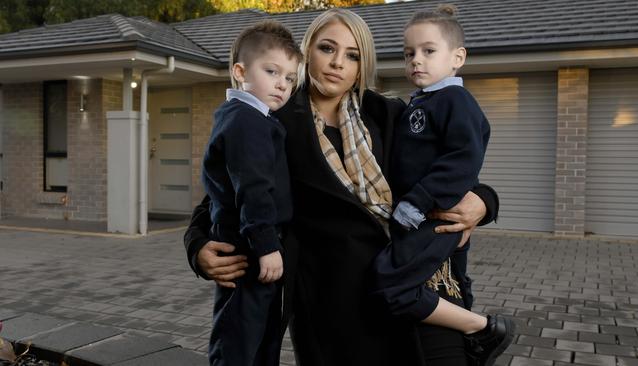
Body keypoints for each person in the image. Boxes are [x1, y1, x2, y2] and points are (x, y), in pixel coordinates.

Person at [185, 8, 500, 366]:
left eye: (352, 55)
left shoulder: (389, 114)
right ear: (307, 52)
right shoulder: (272, 119)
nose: (338, 63)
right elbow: (221, 192)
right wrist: (197, 247)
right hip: (330, 305)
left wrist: (484, 202)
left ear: (361, 65)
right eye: (327, 49)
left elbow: (455, 162)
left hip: (413, 280)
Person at [372, 5, 514, 366]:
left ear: (457, 58)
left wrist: (418, 200)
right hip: (420, 217)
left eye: (428, 51)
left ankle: (485, 329)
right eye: (408, 54)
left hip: (430, 215)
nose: (415, 61)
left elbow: (463, 158)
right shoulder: (420, 103)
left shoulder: (455, 100)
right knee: (455, 276)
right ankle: (474, 332)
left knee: (393, 285)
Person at [199, 20, 302, 366]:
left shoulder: (249, 116)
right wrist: (267, 244)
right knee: (240, 341)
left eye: (289, 77)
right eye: (272, 71)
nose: (282, 84)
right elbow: (253, 186)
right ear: (241, 71)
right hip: (248, 252)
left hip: (256, 248)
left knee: (261, 338)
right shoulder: (247, 120)